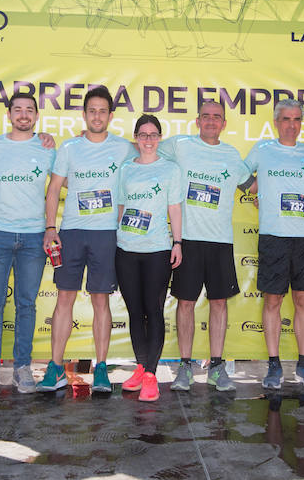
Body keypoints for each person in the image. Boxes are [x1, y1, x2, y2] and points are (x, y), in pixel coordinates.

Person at [40, 86, 137, 393]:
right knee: (64, 299)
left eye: (102, 111)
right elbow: (54, 189)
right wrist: (50, 228)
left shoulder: (124, 148)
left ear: (110, 115)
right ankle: (55, 367)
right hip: (71, 232)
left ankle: (102, 368)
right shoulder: (69, 148)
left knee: (100, 301)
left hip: (106, 234)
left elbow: (151, 149)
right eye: (92, 110)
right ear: (84, 115)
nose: (97, 116)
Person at [157, 100, 250, 392]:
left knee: (219, 303)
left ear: (224, 123)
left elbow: (255, 187)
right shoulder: (180, 146)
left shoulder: (233, 155)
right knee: (185, 303)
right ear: (197, 121)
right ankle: (185, 366)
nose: (211, 121)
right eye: (206, 116)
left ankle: (217, 366)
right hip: (187, 240)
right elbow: (144, 148)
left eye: (217, 117)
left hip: (220, 241)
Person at [0, 92, 56, 396]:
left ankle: (22, 368)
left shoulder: (47, 148)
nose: (23, 114)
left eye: (29, 110)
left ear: (36, 116)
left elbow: (69, 179)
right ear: (8, 114)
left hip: (33, 237)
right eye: (17, 109)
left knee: (27, 305)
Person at [245, 99, 304, 389]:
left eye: (297, 119)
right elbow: (240, 175)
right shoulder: (263, 150)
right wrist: (255, 193)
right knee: (273, 300)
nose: (292, 124)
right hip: (273, 235)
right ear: (277, 122)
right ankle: (274, 365)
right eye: (286, 119)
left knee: (303, 300)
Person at [115, 115, 184, 401]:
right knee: (134, 312)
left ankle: (152, 375)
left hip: (157, 250)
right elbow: (120, 207)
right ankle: (141, 367)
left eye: (153, 134)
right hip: (126, 249)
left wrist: (177, 243)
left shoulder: (170, 169)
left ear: (159, 137)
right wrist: (116, 240)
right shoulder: (125, 169)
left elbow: (175, 210)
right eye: (142, 134)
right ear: (136, 138)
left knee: (153, 311)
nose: (148, 139)